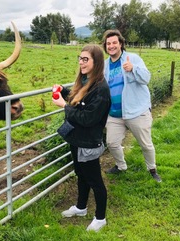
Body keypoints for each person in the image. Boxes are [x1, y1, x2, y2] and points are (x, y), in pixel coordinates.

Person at [52, 44, 111, 232]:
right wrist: (63, 91)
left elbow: (87, 118)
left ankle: (100, 218)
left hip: (88, 141)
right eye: (80, 58)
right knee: (81, 175)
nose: (81, 62)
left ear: (97, 62)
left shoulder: (101, 89)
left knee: (95, 181)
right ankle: (81, 207)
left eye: (86, 59)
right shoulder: (87, 81)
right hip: (77, 139)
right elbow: (78, 97)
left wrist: (63, 106)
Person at [102, 29, 162, 182]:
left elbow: (146, 78)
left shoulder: (132, 58)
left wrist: (133, 69)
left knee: (146, 144)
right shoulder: (105, 65)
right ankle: (121, 166)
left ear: (121, 44)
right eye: (108, 44)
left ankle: (152, 169)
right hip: (115, 114)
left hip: (136, 111)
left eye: (114, 42)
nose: (111, 46)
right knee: (111, 143)